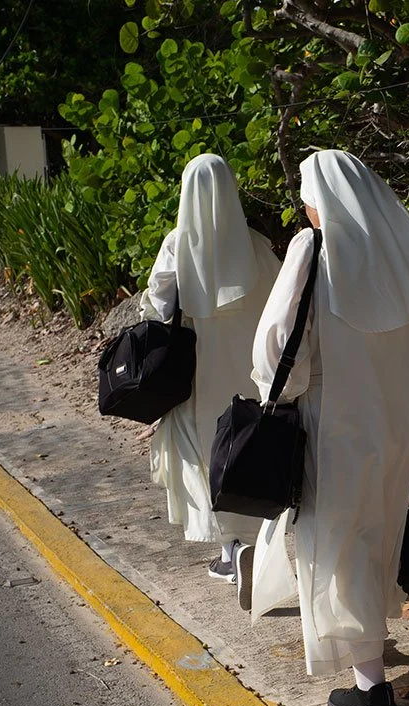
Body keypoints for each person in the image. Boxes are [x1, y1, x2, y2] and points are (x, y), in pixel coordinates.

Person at [238, 150, 409, 706]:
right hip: (393, 422)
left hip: (332, 419)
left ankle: (371, 686)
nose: (303, 207)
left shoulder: (314, 249)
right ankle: (370, 653)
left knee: (339, 542)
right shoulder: (404, 256)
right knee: (377, 533)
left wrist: (277, 393)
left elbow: (278, 341)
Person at [140, 153, 282, 581]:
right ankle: (250, 544)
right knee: (244, 446)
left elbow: (157, 307)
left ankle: (229, 551)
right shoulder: (256, 244)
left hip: (195, 372)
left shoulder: (175, 244)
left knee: (202, 451)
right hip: (249, 369)